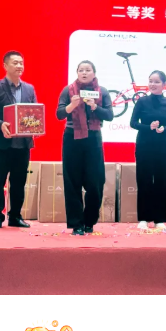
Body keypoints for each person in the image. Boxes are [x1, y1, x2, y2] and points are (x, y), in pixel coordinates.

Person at [0, 50, 38, 229]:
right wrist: (0, 124)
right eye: (15, 63)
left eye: (21, 63)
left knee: (19, 181)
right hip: (1, 142)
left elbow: (34, 112)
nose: (19, 66)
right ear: (5, 66)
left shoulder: (29, 88)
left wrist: (36, 126)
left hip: (22, 143)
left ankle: (15, 216)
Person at [56, 60, 113, 236]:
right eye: (81, 70)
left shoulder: (102, 91)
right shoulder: (68, 90)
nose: (84, 73)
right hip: (72, 137)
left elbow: (109, 115)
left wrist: (95, 106)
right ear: (77, 73)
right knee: (72, 182)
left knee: (95, 182)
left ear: (94, 73)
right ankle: (76, 224)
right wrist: (71, 106)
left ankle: (89, 221)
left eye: (88, 70)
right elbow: (59, 114)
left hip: (93, 138)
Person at [129, 70, 166, 230]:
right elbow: (133, 123)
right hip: (144, 145)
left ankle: (159, 219)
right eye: (150, 81)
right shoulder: (142, 101)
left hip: (163, 146)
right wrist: (148, 127)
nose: (153, 84)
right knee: (143, 180)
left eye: (157, 82)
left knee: (161, 181)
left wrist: (165, 128)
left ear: (164, 84)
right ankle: (143, 218)